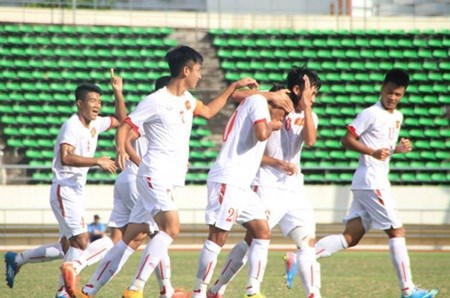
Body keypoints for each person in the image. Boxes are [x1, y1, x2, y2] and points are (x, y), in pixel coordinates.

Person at [73, 45, 284, 298]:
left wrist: (234, 86)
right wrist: (121, 146)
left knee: (133, 237)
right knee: (171, 227)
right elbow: (125, 127)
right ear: (186, 70)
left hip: (164, 179)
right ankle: (135, 288)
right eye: (198, 70)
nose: (200, 76)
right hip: (154, 176)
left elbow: (208, 111)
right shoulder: (156, 101)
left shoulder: (186, 100)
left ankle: (88, 291)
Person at [313, 69, 438, 298]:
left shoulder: (397, 117)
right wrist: (371, 151)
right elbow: (346, 140)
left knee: (351, 237)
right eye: (390, 92)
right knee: (397, 231)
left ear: (403, 94)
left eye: (398, 94)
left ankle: (301, 257)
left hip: (371, 181)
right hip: (371, 181)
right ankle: (408, 290)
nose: (392, 97)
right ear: (382, 88)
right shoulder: (369, 113)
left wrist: (396, 150)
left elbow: (383, 149)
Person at [61, 75, 189, 298]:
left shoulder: (154, 111)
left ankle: (85, 282)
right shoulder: (161, 110)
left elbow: (123, 121)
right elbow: (127, 133)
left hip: (129, 179)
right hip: (144, 179)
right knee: (162, 232)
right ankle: (158, 289)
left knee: (124, 238)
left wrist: (118, 92)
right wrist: (140, 161)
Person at [4, 69, 126, 298]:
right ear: (80, 103)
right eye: (92, 101)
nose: (97, 105)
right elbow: (65, 157)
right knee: (82, 242)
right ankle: (64, 293)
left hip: (76, 191)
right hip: (64, 189)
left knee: (67, 247)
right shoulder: (72, 125)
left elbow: (120, 119)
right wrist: (96, 161)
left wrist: (118, 92)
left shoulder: (95, 124)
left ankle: (18, 259)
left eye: (99, 101)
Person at [205, 67, 322, 298]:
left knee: (307, 240)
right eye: (312, 92)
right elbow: (237, 97)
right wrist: (277, 162)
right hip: (266, 185)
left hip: (294, 189)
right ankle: (221, 288)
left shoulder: (309, 114)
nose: (314, 98)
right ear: (297, 89)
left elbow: (310, 140)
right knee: (253, 240)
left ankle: (313, 294)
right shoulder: (272, 104)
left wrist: (307, 107)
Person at [191, 81, 289, 297]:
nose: (286, 112)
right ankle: (199, 291)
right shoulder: (258, 102)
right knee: (218, 237)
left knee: (262, 232)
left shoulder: (255, 100)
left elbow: (237, 96)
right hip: (228, 179)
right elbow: (262, 133)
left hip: (241, 185)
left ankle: (252, 290)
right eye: (285, 104)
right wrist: (274, 125)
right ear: (275, 98)